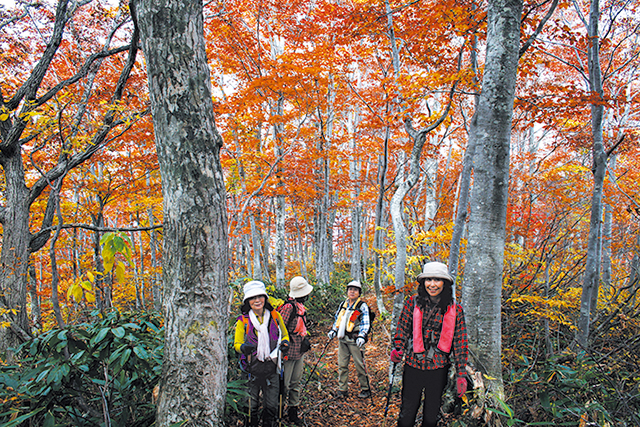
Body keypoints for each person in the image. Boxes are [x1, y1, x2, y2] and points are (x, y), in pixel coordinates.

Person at [390, 261, 469, 427]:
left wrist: (461, 374)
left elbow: (460, 343)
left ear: (445, 283)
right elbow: (402, 330)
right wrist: (398, 348)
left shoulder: (456, 310)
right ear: (423, 282)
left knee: (431, 416)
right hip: (413, 366)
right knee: (407, 413)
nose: (432, 285)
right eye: (428, 280)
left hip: (438, 369)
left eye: (437, 280)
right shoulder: (412, 303)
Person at [234, 280, 290, 427]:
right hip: (250, 369)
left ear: (265, 298)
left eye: (260, 296)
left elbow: (284, 335)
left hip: (272, 368)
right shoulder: (243, 321)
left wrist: (285, 343)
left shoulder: (276, 317)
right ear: (248, 301)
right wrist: (243, 348)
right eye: (253, 298)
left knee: (271, 405)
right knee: (250, 405)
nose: (257, 300)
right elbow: (237, 344)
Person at [277, 276, 313, 425]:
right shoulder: (288, 307)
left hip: (299, 349)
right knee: (284, 385)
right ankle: (278, 413)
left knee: (295, 383)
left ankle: (293, 412)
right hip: (288, 351)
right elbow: (279, 329)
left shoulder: (300, 307)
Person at [327, 280, 371, 399]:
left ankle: (365, 389)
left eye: (355, 290)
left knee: (359, 365)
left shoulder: (362, 306)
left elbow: (365, 322)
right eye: (350, 289)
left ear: (359, 292)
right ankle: (342, 390)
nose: (352, 291)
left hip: (355, 340)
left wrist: (362, 335)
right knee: (342, 365)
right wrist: (333, 330)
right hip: (342, 339)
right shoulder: (343, 304)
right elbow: (338, 319)